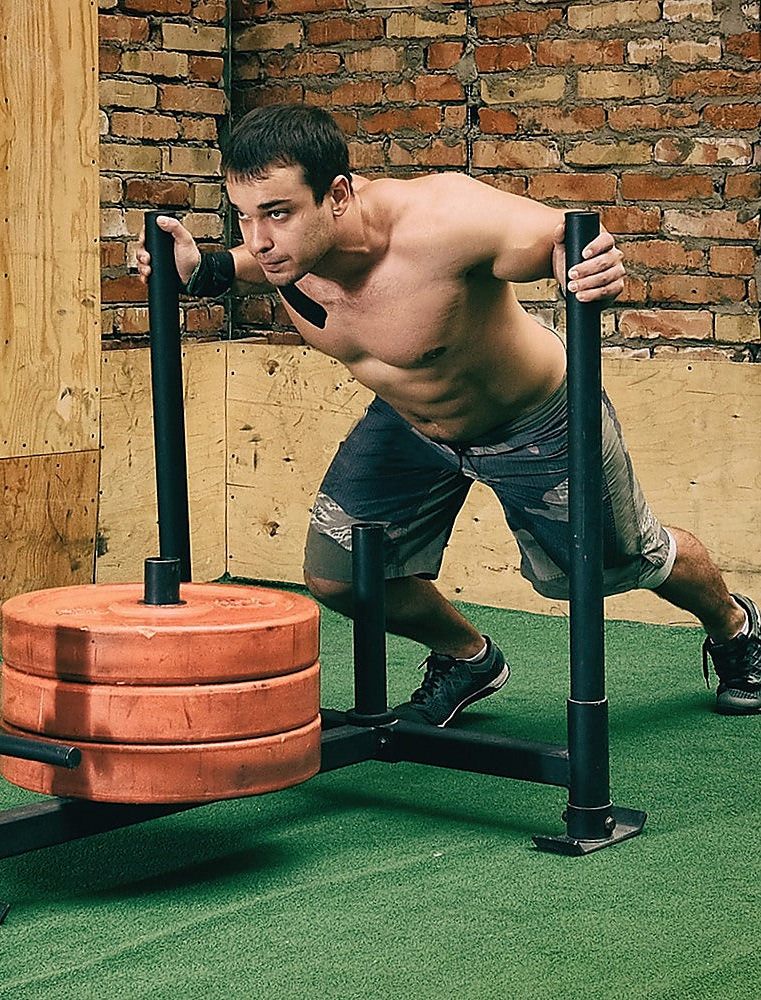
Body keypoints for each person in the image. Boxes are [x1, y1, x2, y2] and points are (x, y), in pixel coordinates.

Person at [136, 102, 760, 723]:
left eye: (278, 213)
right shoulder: (286, 251)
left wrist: (587, 256)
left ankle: (736, 627)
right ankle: (467, 656)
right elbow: (258, 260)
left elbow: (547, 236)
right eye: (243, 216)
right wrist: (204, 269)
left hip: (538, 423)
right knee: (342, 576)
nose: (260, 238)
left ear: (339, 194)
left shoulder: (440, 220)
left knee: (618, 565)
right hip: (411, 424)